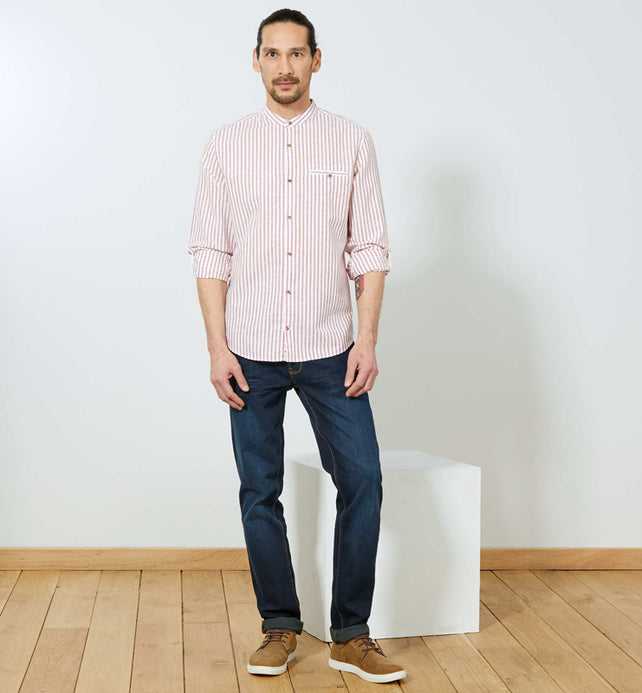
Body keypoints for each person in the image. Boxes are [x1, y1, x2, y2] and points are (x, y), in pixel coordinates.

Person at [187, 8, 405, 684]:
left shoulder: (350, 141)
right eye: (273, 53)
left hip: (330, 347)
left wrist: (366, 339)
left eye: (297, 53)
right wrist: (217, 348)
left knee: (363, 479)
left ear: (316, 59)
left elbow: (369, 248)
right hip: (249, 349)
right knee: (260, 490)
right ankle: (279, 625)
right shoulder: (225, 145)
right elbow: (210, 250)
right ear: (255, 60)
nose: (285, 66)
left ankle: (351, 634)